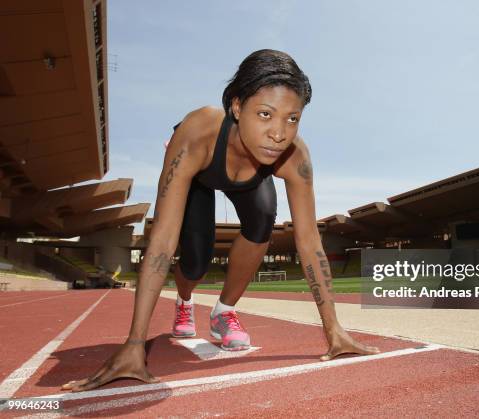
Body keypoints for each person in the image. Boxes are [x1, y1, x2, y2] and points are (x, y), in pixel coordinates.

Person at [62, 49, 379, 392]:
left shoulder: (294, 156)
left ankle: (223, 312)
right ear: (237, 107)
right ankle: (184, 304)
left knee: (263, 220)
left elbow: (309, 241)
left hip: (251, 176)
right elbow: (164, 238)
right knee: (196, 260)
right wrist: (135, 344)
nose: (279, 133)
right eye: (265, 114)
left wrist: (334, 331)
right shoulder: (196, 132)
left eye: (293, 118)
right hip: (201, 172)